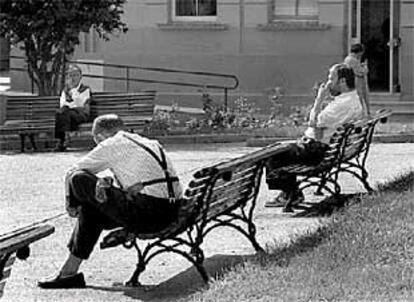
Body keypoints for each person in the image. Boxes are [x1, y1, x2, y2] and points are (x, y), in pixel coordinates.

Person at [39, 114, 183, 288]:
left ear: (100, 136)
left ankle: (75, 215)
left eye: (96, 142)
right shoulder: (149, 142)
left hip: (147, 215)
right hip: (171, 211)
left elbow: (73, 172)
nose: (97, 146)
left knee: (79, 179)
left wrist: (70, 204)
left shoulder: (111, 144)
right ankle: (69, 272)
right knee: (92, 209)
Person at [264, 63, 364, 212]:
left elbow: (313, 122)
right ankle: (290, 192)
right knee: (281, 147)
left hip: (316, 151)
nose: (327, 83)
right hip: (327, 149)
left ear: (342, 81)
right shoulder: (352, 99)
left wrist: (319, 98)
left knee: (273, 155)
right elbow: (317, 125)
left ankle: (290, 193)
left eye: (331, 78)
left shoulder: (342, 104)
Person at [54, 64, 92, 152]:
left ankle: (61, 140)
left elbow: (80, 104)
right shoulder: (65, 90)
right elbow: (62, 103)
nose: (73, 78)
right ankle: (64, 139)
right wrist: (71, 104)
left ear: (80, 77)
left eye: (75, 75)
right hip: (68, 115)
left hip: (82, 114)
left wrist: (73, 91)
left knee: (63, 112)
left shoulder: (85, 89)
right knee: (61, 112)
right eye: (70, 75)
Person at [344, 43, 370, 116]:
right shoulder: (353, 60)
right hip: (357, 81)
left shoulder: (348, 59)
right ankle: (364, 113)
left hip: (352, 81)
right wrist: (365, 66)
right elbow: (362, 71)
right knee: (361, 97)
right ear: (359, 52)